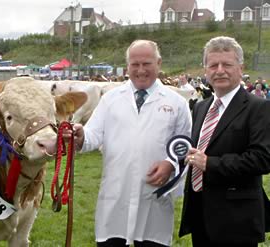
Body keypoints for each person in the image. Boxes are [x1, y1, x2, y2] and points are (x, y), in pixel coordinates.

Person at [72, 40, 192, 246]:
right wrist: (81, 135)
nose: (140, 70)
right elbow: (93, 135)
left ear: (159, 63)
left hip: (154, 195)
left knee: (152, 239)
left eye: (147, 64)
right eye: (135, 65)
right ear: (127, 66)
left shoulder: (176, 103)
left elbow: (185, 146)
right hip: (116, 196)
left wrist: (170, 164)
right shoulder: (110, 99)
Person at [179, 36, 270, 247]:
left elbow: (262, 159)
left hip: (236, 220)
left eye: (227, 64)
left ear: (241, 68)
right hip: (200, 214)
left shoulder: (259, 108)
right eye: (213, 65)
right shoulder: (201, 107)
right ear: (205, 70)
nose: (220, 70)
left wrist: (209, 163)